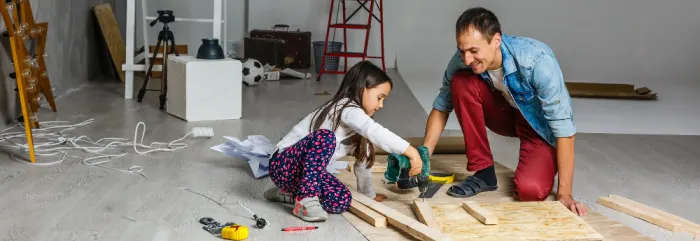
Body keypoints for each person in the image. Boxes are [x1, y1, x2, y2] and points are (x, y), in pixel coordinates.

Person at [423, 7, 588, 216]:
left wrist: (565, 194)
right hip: (504, 115)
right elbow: (442, 105)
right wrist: (424, 155)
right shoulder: (462, 60)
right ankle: (484, 173)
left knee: (530, 191)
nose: (466, 59)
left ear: (496, 40)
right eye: (462, 50)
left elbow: (564, 128)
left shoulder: (538, 62)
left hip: (537, 127)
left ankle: (537, 162)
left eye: (474, 51)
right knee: (461, 82)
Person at [263, 61, 423, 222]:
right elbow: (375, 131)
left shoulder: (360, 127)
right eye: (379, 98)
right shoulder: (346, 108)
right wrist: (410, 151)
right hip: (282, 164)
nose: (381, 105)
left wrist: (369, 198)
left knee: (342, 200)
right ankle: (306, 199)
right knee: (325, 138)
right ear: (362, 90)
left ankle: (289, 193)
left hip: (302, 176)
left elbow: (363, 164)